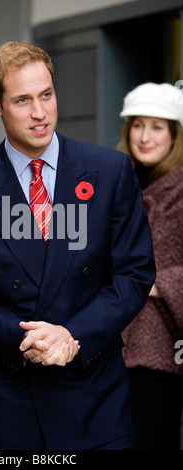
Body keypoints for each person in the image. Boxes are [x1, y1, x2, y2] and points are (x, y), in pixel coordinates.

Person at [0, 41, 155, 450]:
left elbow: (134, 274)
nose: (40, 113)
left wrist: (72, 334)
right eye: (22, 100)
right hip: (10, 402)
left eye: (46, 95)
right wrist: (31, 339)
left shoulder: (110, 171)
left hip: (96, 395)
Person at [118, 82, 183, 450]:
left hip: (161, 348)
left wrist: (153, 282)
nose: (144, 137)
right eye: (137, 125)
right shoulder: (116, 180)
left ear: (175, 134)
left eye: (157, 127)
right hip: (112, 341)